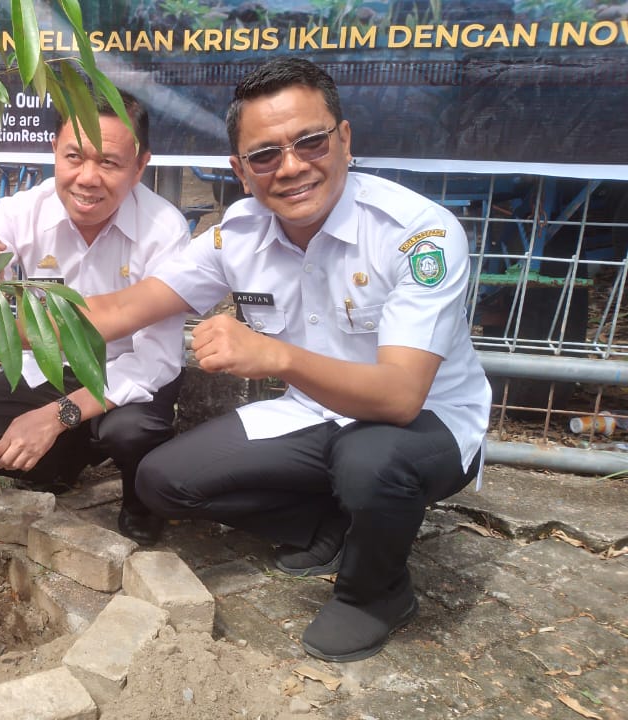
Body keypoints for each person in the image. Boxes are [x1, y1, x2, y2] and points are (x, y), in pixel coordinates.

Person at [79, 58, 490, 662]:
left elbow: (400, 396)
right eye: (265, 154)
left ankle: (376, 594)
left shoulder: (415, 234)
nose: (292, 166)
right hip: (316, 414)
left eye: (311, 141)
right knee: (161, 482)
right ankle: (327, 525)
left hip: (428, 423)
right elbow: (125, 308)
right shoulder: (235, 235)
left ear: (344, 140)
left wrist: (274, 355)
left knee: (369, 459)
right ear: (240, 171)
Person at [0, 90, 188, 545]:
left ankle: (141, 497)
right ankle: (63, 463)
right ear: (53, 151)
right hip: (47, 367)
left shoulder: (164, 230)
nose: (88, 178)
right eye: (74, 157)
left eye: (109, 163)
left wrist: (56, 415)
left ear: (140, 166)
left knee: (131, 431)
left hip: (127, 374)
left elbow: (157, 362)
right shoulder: (21, 212)